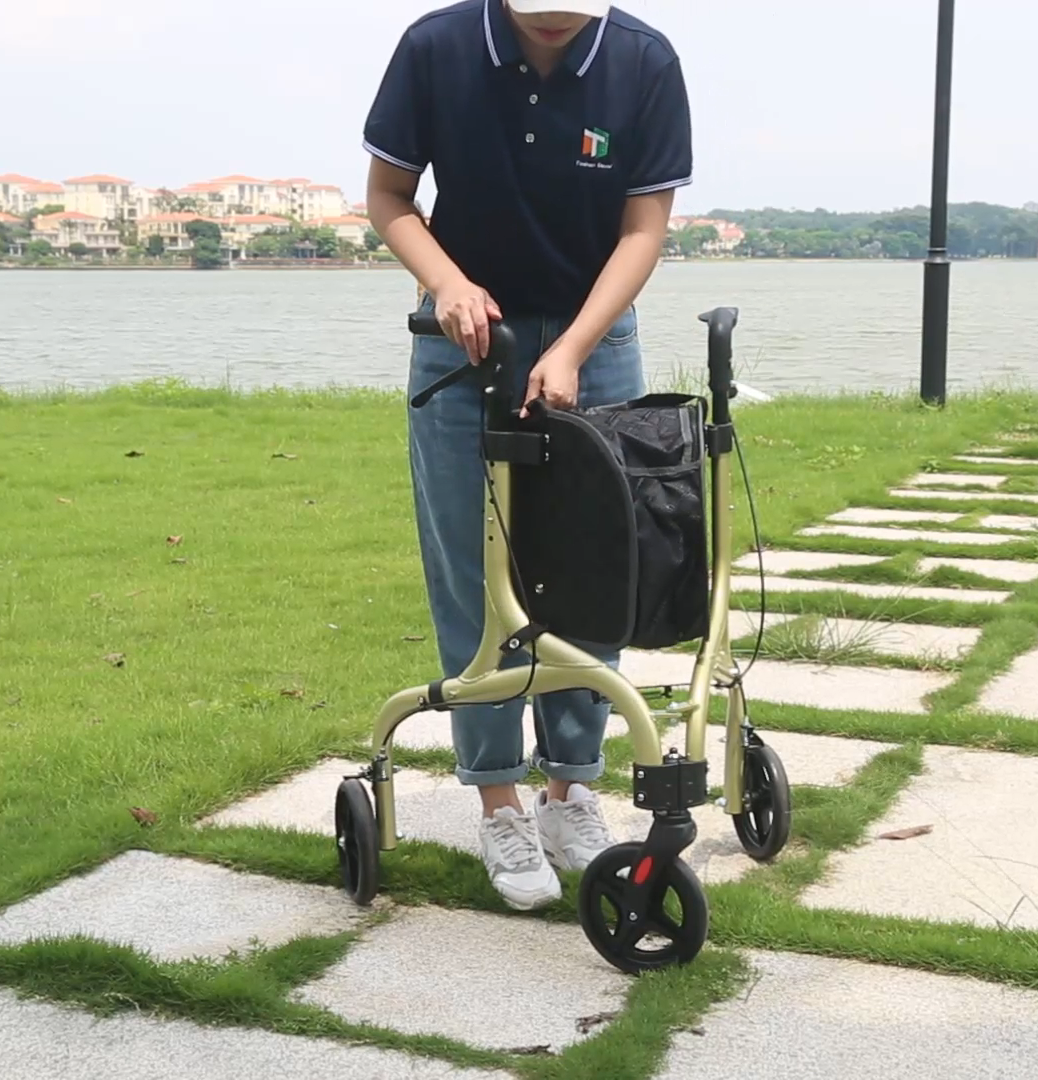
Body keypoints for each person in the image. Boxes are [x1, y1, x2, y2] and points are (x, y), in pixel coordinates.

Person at [362, 0, 692, 910]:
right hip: (465, 343)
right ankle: (501, 802)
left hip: (596, 342)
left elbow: (643, 227)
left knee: (594, 568)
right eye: (537, 15)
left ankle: (571, 789)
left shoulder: (644, 60)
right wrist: (448, 282)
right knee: (473, 575)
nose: (554, 28)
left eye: (570, 18)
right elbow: (389, 198)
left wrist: (577, 348)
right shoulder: (435, 47)